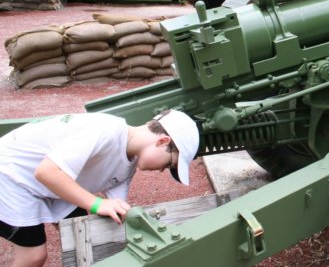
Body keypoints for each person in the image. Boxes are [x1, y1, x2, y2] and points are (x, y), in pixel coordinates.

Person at [0, 109, 199, 267]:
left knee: (81, 230)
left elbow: (116, 210)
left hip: (46, 182)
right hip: (11, 175)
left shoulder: (129, 164)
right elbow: (47, 172)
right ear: (163, 141)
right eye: (169, 163)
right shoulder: (105, 131)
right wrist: (97, 203)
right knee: (34, 256)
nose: (162, 170)